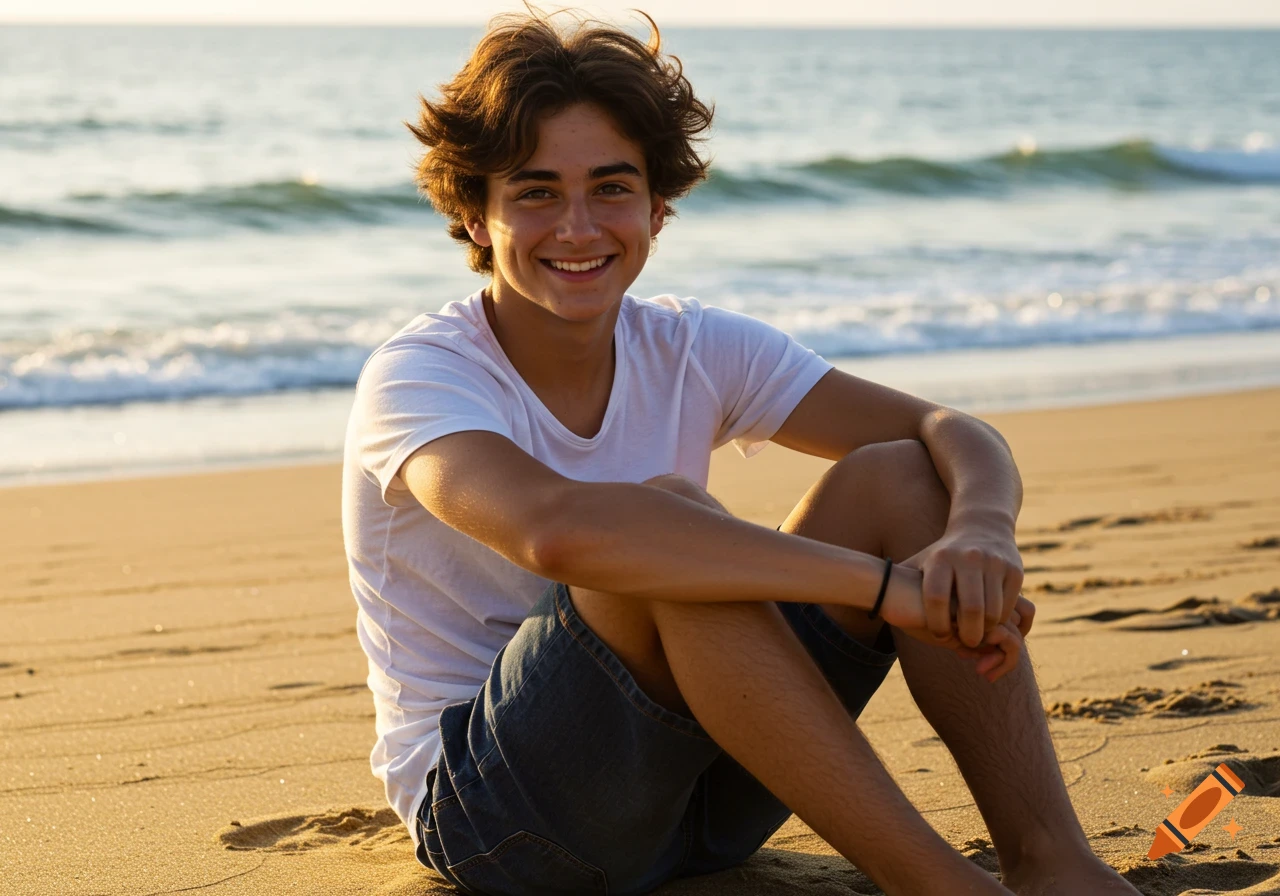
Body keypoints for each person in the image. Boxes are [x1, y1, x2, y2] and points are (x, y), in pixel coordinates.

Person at [340, 9, 1141, 896]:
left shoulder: (690, 345)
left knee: (902, 478)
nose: (577, 227)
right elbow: (560, 536)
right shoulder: (420, 376)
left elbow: (952, 432)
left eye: (611, 187)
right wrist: (881, 588)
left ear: (658, 204)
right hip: (504, 822)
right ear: (476, 215)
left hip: (705, 802)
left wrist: (981, 534)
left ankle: (1054, 862)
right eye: (534, 192)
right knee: (666, 537)